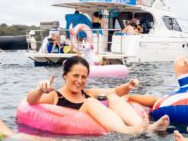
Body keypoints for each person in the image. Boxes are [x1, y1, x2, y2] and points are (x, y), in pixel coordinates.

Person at [26, 55, 170, 134]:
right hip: (72, 134)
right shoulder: (55, 95)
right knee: (90, 102)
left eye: (84, 77)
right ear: (65, 75)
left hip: (96, 131)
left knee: (111, 97)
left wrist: (128, 86)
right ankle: (128, 130)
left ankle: (146, 127)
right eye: (75, 76)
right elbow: (31, 101)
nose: (79, 81)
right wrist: (40, 89)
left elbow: (115, 92)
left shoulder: (87, 93)